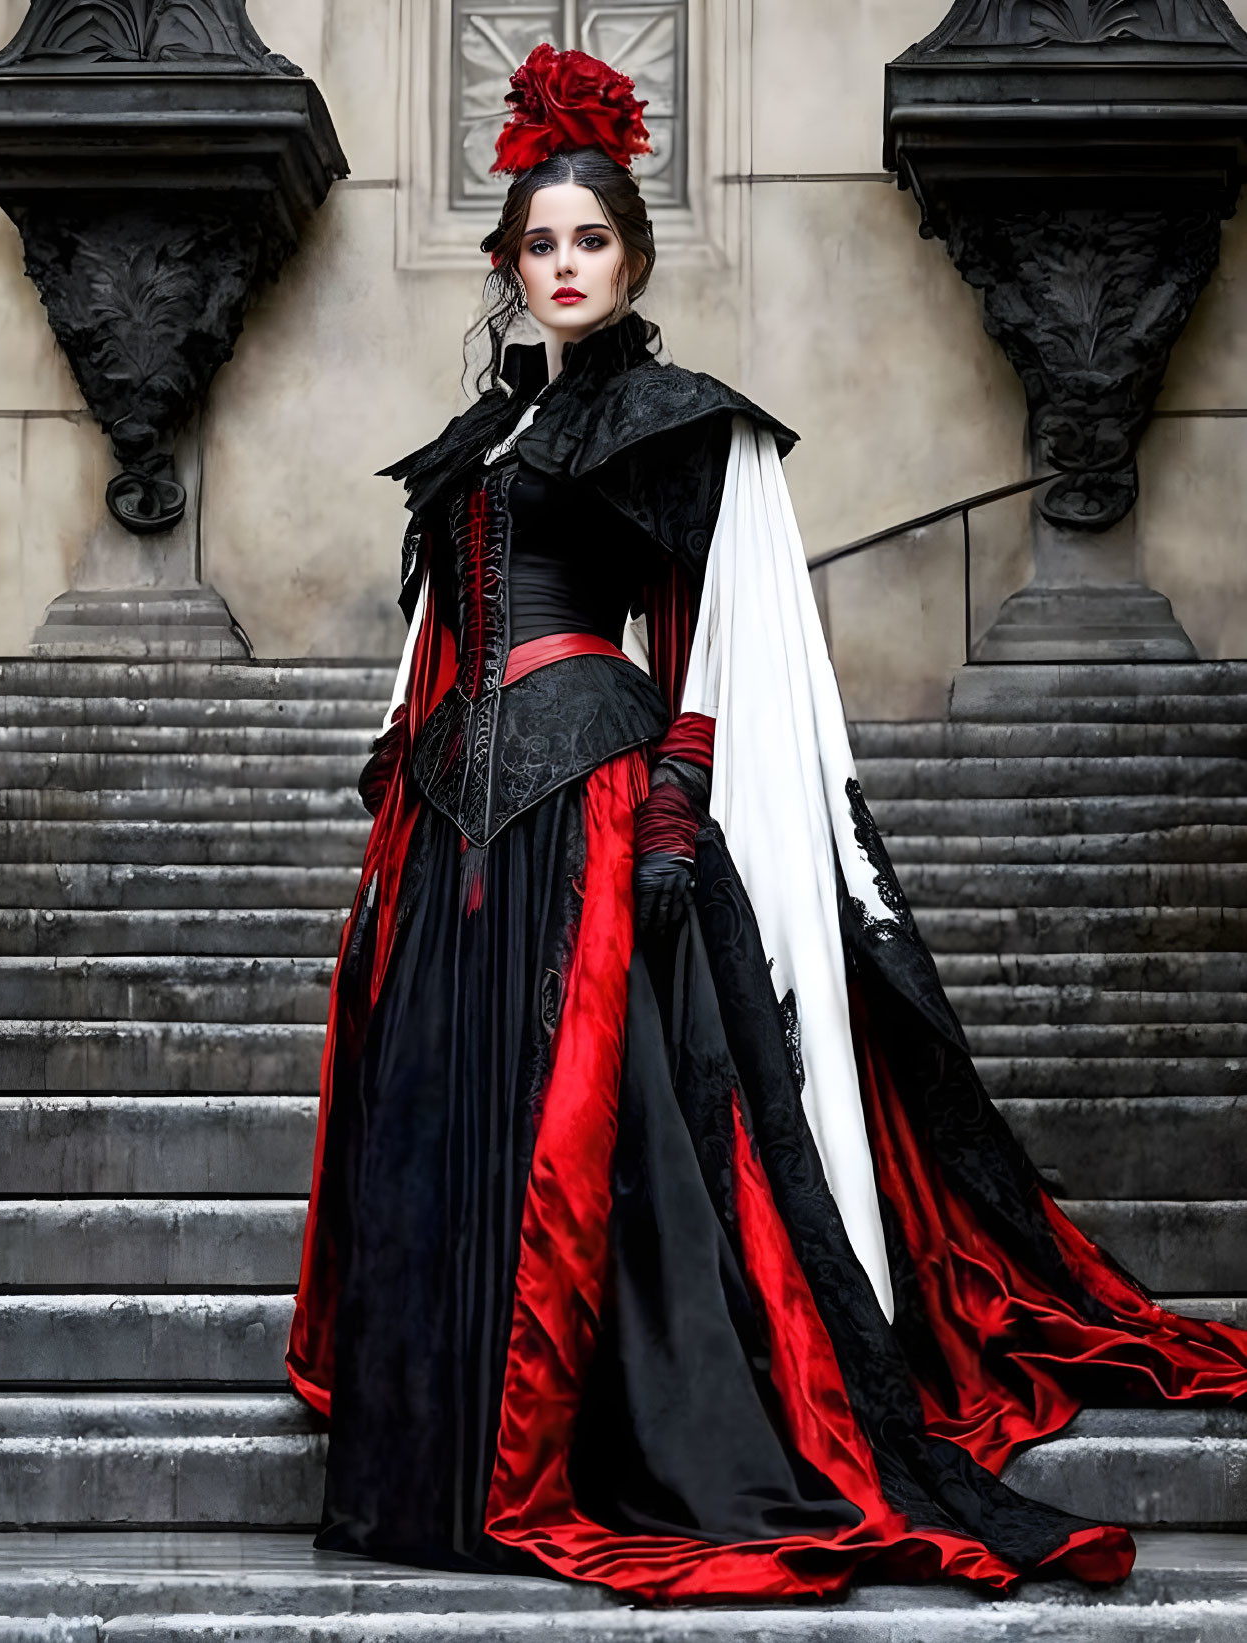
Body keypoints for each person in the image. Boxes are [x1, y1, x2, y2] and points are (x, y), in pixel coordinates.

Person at [286, 42, 1247, 1603]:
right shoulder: (477, 445)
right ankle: (436, 1467)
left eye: (588, 238)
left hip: (591, 804)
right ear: (507, 265)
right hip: (463, 830)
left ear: (633, 254)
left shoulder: (677, 422)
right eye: (539, 243)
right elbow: (439, 645)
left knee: (596, 1134)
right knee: (462, 1127)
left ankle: (602, 1445)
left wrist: (675, 801)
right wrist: (402, 770)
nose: (563, 264)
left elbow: (719, 625)